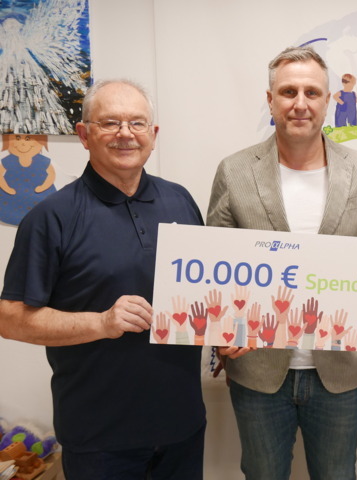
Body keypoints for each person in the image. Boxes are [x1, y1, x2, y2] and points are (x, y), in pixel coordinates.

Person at [207, 45, 357, 480]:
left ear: (328, 100)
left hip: (341, 369)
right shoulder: (234, 171)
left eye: (311, 92)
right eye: (288, 91)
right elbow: (214, 263)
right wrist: (220, 330)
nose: (300, 103)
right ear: (270, 99)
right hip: (257, 369)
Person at [0, 79, 206, 479]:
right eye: (110, 122)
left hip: (182, 427)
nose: (126, 134)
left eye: (137, 123)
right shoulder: (51, 218)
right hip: (99, 439)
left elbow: (204, 294)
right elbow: (10, 319)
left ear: (153, 135)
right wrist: (101, 322)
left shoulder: (180, 200)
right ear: (84, 134)